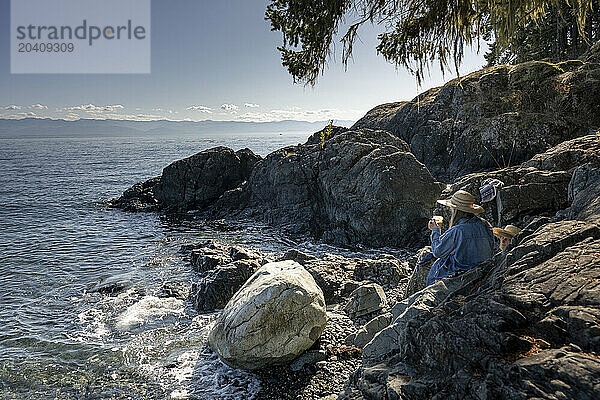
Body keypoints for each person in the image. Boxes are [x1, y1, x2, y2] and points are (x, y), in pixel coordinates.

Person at [426, 190, 495, 286]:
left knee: (433, 263)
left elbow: (438, 252)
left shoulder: (458, 230)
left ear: (455, 210)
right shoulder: (485, 224)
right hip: (484, 269)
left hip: (462, 271)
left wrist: (435, 230)